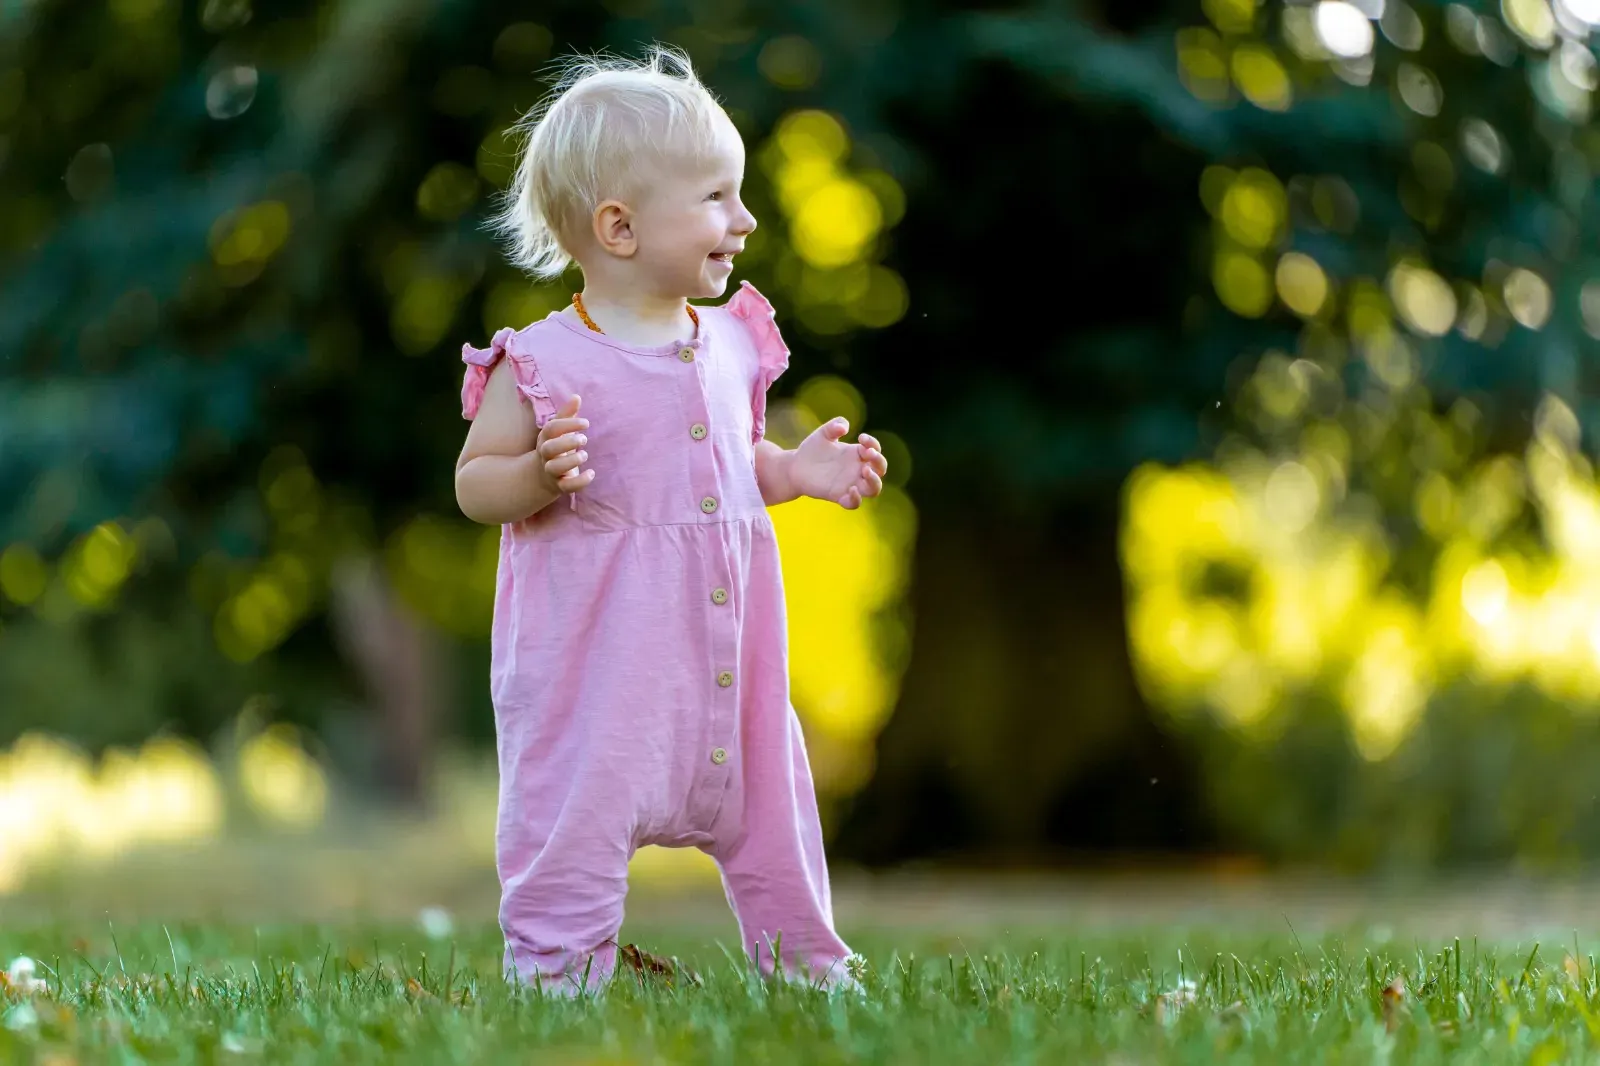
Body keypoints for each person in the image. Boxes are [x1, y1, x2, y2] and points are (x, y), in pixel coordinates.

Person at [453, 44, 887, 997]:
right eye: (718, 199)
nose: (747, 218)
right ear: (619, 226)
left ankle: (809, 967)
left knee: (773, 808)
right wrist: (532, 472)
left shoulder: (730, 341)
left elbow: (732, 467)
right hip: (601, 671)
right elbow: (474, 484)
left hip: (729, 665)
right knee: (575, 814)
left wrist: (796, 472)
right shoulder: (541, 362)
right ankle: (559, 970)